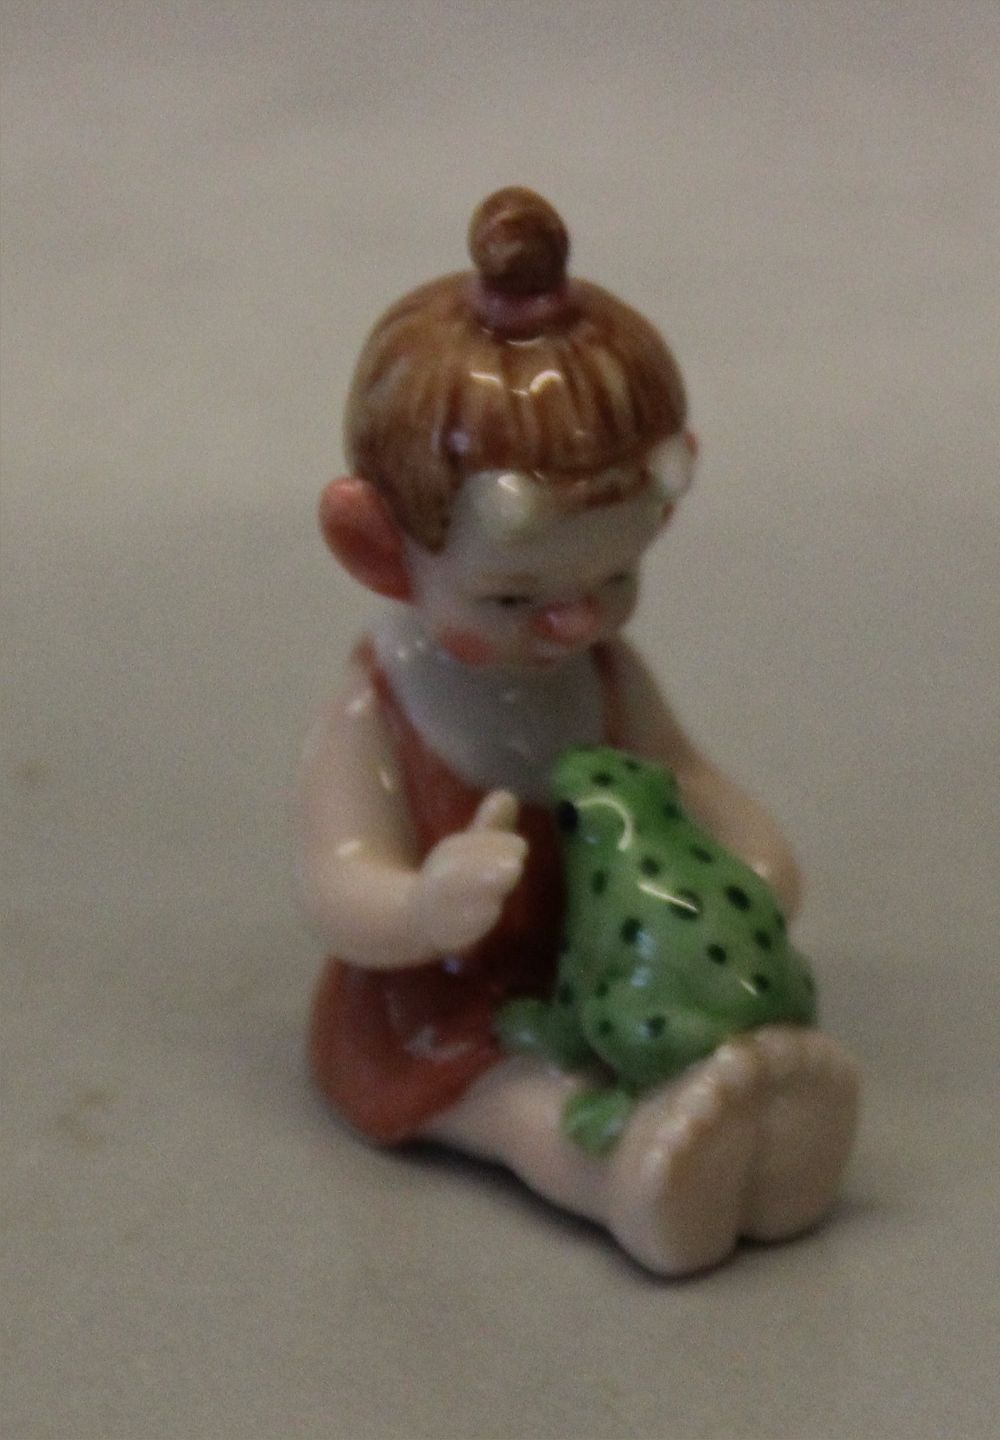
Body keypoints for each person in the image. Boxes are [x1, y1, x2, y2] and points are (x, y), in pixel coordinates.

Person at [297, 187, 860, 1275]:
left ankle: (761, 1120)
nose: (574, 624)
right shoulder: (378, 709)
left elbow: (684, 775)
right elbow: (332, 879)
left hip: (610, 964)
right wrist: (420, 906)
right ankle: (631, 1179)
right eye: (513, 598)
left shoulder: (604, 674)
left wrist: (752, 855)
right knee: (518, 1099)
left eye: (614, 579)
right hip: (449, 999)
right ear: (378, 551)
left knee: (696, 1015)